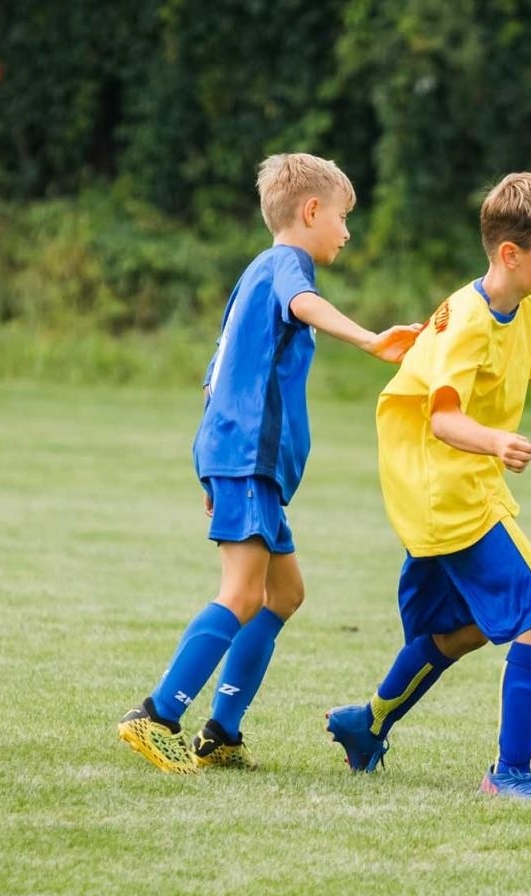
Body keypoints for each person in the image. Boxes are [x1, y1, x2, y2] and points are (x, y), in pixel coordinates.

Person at [325, 171, 531, 800]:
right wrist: (496, 441)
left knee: (468, 628)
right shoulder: (468, 322)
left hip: (459, 484)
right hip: (446, 490)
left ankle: (364, 725)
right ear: (511, 253)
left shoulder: (523, 309)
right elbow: (443, 419)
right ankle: (509, 775)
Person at [116, 153, 420, 773]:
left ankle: (221, 733)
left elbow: (217, 372)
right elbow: (304, 304)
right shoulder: (287, 265)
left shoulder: (253, 276)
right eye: (342, 217)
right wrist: (369, 339)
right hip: (247, 459)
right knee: (241, 593)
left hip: (243, 461)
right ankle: (156, 715)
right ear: (310, 211)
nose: (347, 232)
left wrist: (213, 463)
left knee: (283, 593)